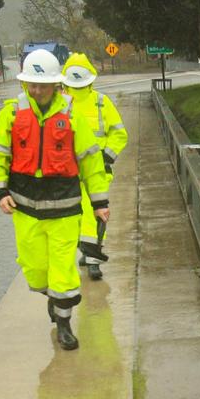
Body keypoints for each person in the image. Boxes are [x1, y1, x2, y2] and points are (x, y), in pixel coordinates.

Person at [0, 49, 111, 351]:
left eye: (42, 85)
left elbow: (92, 163)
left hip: (65, 209)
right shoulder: (12, 113)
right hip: (25, 209)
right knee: (36, 269)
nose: (36, 90)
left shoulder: (71, 116)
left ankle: (64, 322)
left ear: (56, 85)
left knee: (63, 269)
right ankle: (53, 299)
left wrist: (100, 203)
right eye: (31, 84)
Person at [62, 52, 127, 281]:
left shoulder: (100, 102)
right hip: (68, 171)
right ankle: (88, 253)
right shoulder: (61, 105)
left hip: (94, 171)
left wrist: (104, 160)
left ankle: (93, 260)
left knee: (94, 214)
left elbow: (119, 134)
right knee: (80, 215)